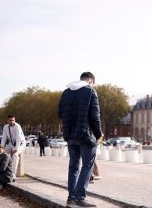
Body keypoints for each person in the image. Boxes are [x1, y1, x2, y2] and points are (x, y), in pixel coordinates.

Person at [58, 72, 102, 208]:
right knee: (87, 165)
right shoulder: (90, 91)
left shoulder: (66, 92)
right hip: (86, 135)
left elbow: (59, 113)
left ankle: (71, 198)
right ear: (90, 81)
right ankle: (79, 197)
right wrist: (99, 134)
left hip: (70, 135)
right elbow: (95, 116)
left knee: (73, 167)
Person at [1, 115, 26, 181]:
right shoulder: (5, 127)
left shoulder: (17, 126)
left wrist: (16, 149)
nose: (12, 122)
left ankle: (13, 174)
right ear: (7, 121)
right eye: (10, 120)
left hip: (20, 144)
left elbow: (18, 138)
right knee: (3, 153)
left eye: (13, 120)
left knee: (15, 155)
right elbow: (4, 138)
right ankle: (2, 171)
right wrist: (1, 147)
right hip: (11, 143)